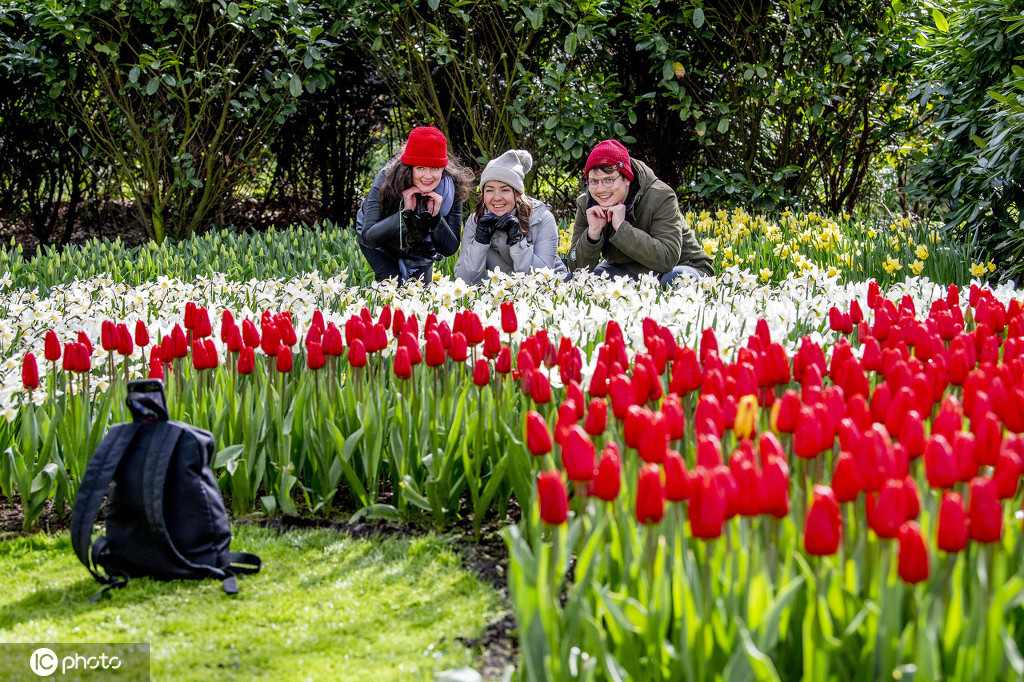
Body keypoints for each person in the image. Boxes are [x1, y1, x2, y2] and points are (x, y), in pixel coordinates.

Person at [566, 139, 713, 285]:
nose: (600, 189)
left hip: (680, 267)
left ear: (627, 179)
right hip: (626, 271)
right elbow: (577, 271)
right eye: (594, 181)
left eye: (608, 180)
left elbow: (667, 260)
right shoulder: (587, 204)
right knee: (581, 282)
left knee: (673, 280)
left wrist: (621, 228)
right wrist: (593, 234)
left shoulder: (660, 197)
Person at [355, 126, 474, 283]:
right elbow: (370, 237)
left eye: (435, 168)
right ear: (408, 167)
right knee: (392, 286)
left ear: (443, 168)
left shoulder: (451, 187)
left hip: (421, 248)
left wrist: (436, 217)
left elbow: (449, 248)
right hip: (380, 244)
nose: (428, 176)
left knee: (419, 295)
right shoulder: (387, 179)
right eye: (420, 168)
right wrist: (404, 215)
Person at [454, 149, 568, 284]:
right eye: (490, 190)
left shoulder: (541, 218)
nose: (497, 198)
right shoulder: (476, 221)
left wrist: (517, 241)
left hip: (553, 290)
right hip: (503, 292)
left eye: (505, 190)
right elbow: (464, 280)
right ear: (483, 194)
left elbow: (542, 277)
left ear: (518, 194)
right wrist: (480, 242)